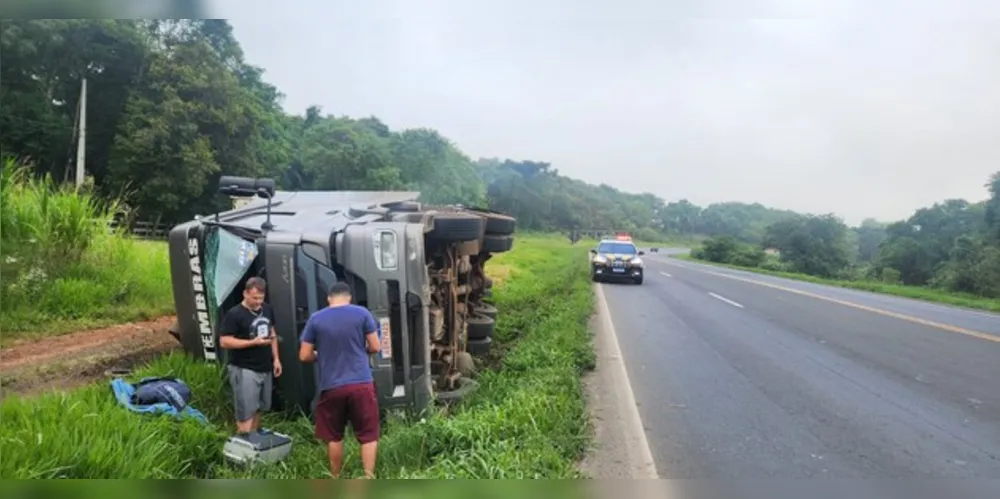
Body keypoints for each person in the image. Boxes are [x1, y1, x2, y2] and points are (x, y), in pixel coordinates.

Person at [299, 281, 381, 479]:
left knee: (334, 436)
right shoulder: (362, 314)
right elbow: (376, 347)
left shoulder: (316, 319)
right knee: (368, 434)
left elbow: (304, 356)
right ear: (349, 297)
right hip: (361, 383)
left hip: (332, 386)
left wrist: (321, 355)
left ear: (329, 298)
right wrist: (362, 350)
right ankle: (368, 478)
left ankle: (335, 477)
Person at [218, 277, 282, 434]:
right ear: (245, 294)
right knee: (245, 412)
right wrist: (252, 343)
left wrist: (276, 359)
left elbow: (272, 333)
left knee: (259, 407)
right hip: (244, 368)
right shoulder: (234, 314)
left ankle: (254, 441)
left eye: (261, 298)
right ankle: (244, 446)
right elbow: (224, 342)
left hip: (265, 366)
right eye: (254, 298)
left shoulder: (267, 309)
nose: (258, 302)